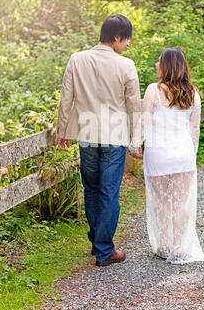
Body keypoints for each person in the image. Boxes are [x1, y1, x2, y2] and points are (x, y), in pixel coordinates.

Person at [56, 14, 142, 267]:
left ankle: (98, 242)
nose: (127, 44)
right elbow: (134, 106)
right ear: (116, 37)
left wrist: (62, 131)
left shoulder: (77, 59)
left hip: (86, 135)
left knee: (92, 190)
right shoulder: (126, 65)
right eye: (126, 39)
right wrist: (136, 140)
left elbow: (65, 98)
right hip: (114, 138)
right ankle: (105, 250)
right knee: (108, 193)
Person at [130, 48, 204, 264]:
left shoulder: (153, 90)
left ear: (167, 66)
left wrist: (135, 146)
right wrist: (192, 155)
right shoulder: (192, 93)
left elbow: (144, 122)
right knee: (181, 202)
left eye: (159, 61)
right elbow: (194, 131)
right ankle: (179, 247)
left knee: (161, 201)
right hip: (183, 154)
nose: (156, 64)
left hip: (159, 154)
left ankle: (164, 245)